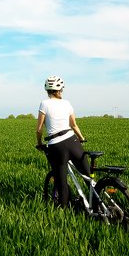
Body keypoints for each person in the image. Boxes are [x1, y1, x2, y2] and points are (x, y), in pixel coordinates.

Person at [35, 75, 89, 207]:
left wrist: (40, 143)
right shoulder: (67, 103)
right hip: (73, 141)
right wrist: (81, 138)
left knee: (61, 183)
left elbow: (39, 129)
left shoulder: (44, 103)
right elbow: (74, 125)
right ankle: (98, 204)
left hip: (57, 146)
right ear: (59, 90)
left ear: (48, 91)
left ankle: (64, 213)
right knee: (88, 177)